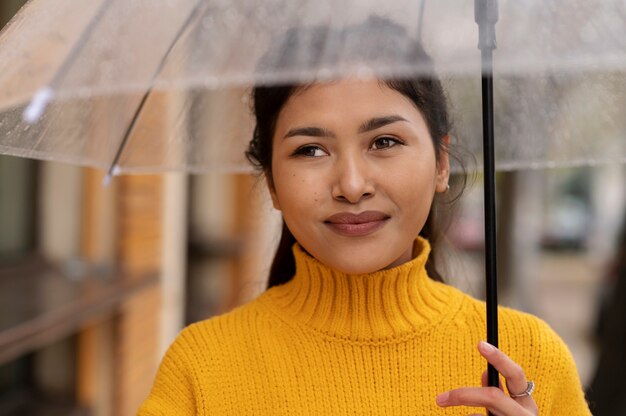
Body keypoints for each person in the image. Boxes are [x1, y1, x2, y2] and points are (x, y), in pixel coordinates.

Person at [138, 17, 590, 415]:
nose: (352, 185)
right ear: (272, 183)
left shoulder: (527, 361)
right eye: (310, 150)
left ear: (440, 162)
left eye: (384, 142)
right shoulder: (200, 370)